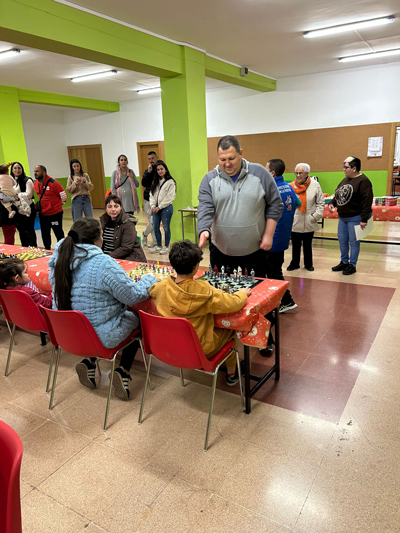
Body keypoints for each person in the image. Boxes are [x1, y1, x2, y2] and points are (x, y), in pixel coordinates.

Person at [48, 217, 157, 400]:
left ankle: (90, 361)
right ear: (98, 239)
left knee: (88, 318)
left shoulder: (58, 260)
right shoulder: (102, 263)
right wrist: (149, 279)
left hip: (68, 334)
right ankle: (123, 371)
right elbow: (132, 296)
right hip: (100, 336)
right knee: (137, 319)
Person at [149, 240, 251, 385]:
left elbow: (151, 289)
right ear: (196, 266)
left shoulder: (161, 287)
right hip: (201, 349)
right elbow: (232, 304)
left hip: (171, 347)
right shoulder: (204, 291)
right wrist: (242, 294)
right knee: (230, 333)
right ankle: (232, 374)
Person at [197, 135, 283, 277]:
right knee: (222, 294)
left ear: (241, 154)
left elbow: (275, 203)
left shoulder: (260, 173)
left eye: (232, 158)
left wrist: (268, 235)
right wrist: (203, 229)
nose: (227, 164)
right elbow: (205, 208)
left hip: (254, 251)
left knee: (254, 293)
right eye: (222, 160)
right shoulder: (209, 179)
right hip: (220, 252)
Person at [329, 156, 373, 275]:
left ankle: (352, 264)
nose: (344, 169)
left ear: (354, 168)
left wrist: (364, 219)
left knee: (354, 242)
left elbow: (367, 201)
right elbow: (338, 193)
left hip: (355, 217)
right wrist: (332, 203)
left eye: (346, 167)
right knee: (342, 240)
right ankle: (344, 261)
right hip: (343, 217)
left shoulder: (363, 181)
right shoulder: (345, 179)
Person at [265, 159, 299, 313]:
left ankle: (287, 300)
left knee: (273, 271)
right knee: (274, 269)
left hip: (274, 237)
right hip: (284, 235)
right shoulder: (288, 187)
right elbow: (297, 203)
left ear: (272, 173)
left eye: (266, 169)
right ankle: (276, 299)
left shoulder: (272, 190)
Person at [287, 162, 324, 272]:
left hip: (309, 219)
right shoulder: (291, 186)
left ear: (307, 173)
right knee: (295, 244)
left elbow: (320, 203)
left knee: (308, 244)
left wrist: (315, 217)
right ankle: (295, 263)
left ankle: (308, 264)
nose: (298, 175)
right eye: (296, 173)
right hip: (295, 220)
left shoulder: (315, 185)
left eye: (301, 173)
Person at [100, 194, 146, 261]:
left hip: (127, 257)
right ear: (106, 209)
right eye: (109, 207)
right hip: (107, 257)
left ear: (121, 207)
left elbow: (126, 248)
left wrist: (106, 257)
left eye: (116, 206)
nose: (113, 209)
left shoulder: (128, 223)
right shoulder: (103, 221)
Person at [33, 165, 67, 250]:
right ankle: (47, 249)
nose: (35, 173)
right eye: (34, 171)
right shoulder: (36, 184)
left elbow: (64, 196)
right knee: (45, 234)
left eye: (37, 171)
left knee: (58, 233)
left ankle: (62, 250)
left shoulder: (54, 183)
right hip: (43, 214)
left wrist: (57, 206)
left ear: (44, 172)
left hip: (55, 214)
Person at [149, 160, 176, 255]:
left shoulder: (170, 182)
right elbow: (151, 195)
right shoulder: (155, 182)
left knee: (166, 227)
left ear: (165, 170)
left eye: (162, 169)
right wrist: (153, 206)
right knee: (155, 227)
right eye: (158, 170)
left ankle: (166, 246)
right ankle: (159, 245)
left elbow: (169, 197)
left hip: (166, 208)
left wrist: (159, 207)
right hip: (155, 208)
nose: (160, 171)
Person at [10, 162, 37, 247]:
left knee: (29, 230)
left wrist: (16, 196)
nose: (17, 170)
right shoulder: (11, 181)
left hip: (27, 209)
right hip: (17, 209)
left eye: (19, 168)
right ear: (12, 170)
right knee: (21, 231)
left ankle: (33, 249)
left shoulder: (27, 180)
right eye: (15, 168)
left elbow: (29, 195)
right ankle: (24, 248)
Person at [141, 151, 157, 248]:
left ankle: (145, 234)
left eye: (153, 158)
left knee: (153, 221)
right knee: (151, 221)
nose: (151, 161)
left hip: (157, 200)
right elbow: (144, 183)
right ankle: (154, 241)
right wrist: (148, 172)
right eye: (149, 159)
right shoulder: (148, 170)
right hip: (148, 199)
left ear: (156, 158)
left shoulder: (160, 168)